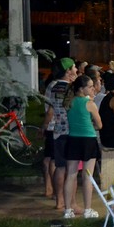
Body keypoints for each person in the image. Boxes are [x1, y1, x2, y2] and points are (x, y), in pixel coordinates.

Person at [62, 74, 102, 219]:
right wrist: (91, 125)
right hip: (88, 140)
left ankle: (68, 210)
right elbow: (99, 125)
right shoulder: (90, 104)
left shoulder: (70, 102)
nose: (93, 89)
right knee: (87, 176)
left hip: (73, 139)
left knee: (70, 175)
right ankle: (87, 210)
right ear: (81, 89)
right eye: (90, 87)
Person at [41, 57, 78, 212]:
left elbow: (50, 110)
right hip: (71, 131)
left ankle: (59, 201)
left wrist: (44, 127)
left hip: (57, 131)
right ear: (68, 71)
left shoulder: (54, 87)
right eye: (74, 67)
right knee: (72, 170)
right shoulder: (71, 89)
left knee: (60, 166)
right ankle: (72, 203)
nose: (76, 70)